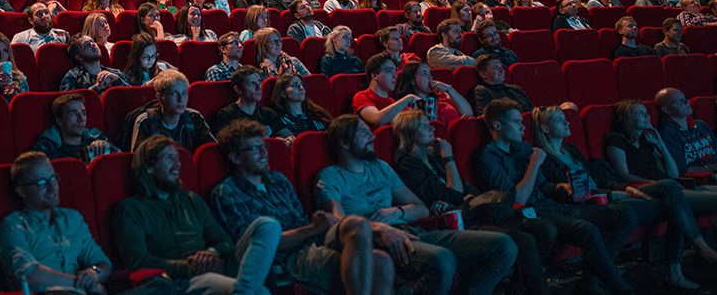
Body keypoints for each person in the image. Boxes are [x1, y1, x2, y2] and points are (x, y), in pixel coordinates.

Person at [317, 114, 518, 295]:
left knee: (503, 245)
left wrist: (395, 213)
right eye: (363, 132)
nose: (372, 136)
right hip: (374, 241)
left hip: (410, 231)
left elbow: (420, 208)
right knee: (442, 259)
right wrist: (379, 227)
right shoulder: (330, 177)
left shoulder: (381, 167)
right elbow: (338, 221)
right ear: (344, 142)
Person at [532, 105, 716, 291]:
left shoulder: (570, 149)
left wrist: (628, 190)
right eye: (559, 120)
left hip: (613, 194)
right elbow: (569, 193)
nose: (566, 122)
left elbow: (599, 178)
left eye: (565, 118)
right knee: (673, 202)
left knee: (671, 190)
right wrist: (616, 194)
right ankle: (685, 261)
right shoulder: (543, 158)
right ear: (545, 128)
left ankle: (689, 257)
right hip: (597, 203)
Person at [472, 98, 637, 295]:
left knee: (624, 214)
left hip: (549, 204)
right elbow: (517, 201)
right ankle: (621, 290)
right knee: (587, 230)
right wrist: (534, 164)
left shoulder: (523, 148)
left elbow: (543, 185)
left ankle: (591, 281)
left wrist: (562, 187)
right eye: (516, 123)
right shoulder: (488, 157)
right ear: (497, 125)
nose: (523, 128)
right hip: (526, 213)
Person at [210, 120, 394, 295]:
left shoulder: (278, 180)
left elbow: (301, 220)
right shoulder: (227, 192)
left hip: (311, 241)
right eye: (255, 148)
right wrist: (312, 229)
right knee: (380, 262)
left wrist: (318, 224)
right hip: (286, 257)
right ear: (235, 157)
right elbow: (256, 247)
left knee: (357, 224)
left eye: (264, 146)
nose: (264, 153)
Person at [393, 110, 552, 295]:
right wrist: (449, 158)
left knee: (541, 229)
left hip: (471, 212)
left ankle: (517, 288)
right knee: (523, 241)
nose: (431, 127)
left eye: (429, 123)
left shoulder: (434, 158)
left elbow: (468, 190)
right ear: (409, 132)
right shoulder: (409, 165)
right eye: (424, 125)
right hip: (453, 223)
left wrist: (461, 194)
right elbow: (454, 194)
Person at [112, 135, 269, 295]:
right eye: (169, 158)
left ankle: (243, 290)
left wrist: (211, 253)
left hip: (219, 267)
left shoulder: (191, 199)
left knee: (266, 226)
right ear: (149, 167)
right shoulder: (131, 209)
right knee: (260, 292)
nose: (177, 164)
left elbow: (225, 242)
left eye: (177, 158)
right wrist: (191, 266)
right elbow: (138, 261)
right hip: (183, 280)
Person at [0, 152, 132, 295]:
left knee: (156, 285)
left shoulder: (72, 218)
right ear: (22, 191)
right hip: (49, 293)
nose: (52, 187)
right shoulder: (14, 225)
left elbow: (103, 263)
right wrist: (81, 283)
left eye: (53, 178)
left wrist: (94, 274)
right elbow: (28, 275)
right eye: (41, 183)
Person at [130, 69, 215, 153]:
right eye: (174, 94)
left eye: (184, 93)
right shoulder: (146, 122)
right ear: (159, 98)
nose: (181, 99)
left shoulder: (194, 118)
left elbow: (211, 151)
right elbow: (139, 161)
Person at [209, 65, 294, 142]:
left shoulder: (267, 113)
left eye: (259, 82)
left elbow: (290, 137)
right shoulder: (227, 115)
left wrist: (286, 141)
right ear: (238, 90)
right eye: (251, 83)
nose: (258, 87)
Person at [31, 94, 116, 164]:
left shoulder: (96, 140)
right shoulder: (47, 148)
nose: (81, 118)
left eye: (83, 113)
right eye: (73, 114)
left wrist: (107, 147)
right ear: (59, 120)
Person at [394, 61, 472, 127]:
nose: (430, 77)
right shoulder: (408, 107)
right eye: (424, 74)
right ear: (412, 80)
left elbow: (468, 113)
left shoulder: (443, 99)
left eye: (430, 73)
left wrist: (449, 89)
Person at [354, 52, 421, 128]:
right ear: (374, 75)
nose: (395, 76)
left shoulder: (394, 103)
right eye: (389, 71)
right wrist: (409, 98)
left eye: (395, 71)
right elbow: (377, 120)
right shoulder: (362, 96)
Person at [61, 34, 130, 93]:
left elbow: (134, 96)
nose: (93, 45)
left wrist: (118, 81)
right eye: (86, 45)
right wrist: (96, 88)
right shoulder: (73, 76)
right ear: (79, 57)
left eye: (92, 41)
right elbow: (68, 102)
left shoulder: (115, 73)